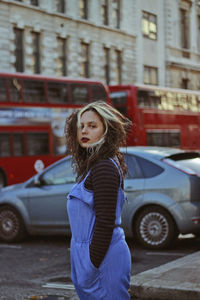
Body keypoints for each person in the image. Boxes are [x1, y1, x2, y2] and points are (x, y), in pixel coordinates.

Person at [65, 101, 132, 300]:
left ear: (106, 130)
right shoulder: (95, 165)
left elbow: (105, 222)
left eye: (92, 126)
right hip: (92, 256)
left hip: (103, 259)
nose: (84, 131)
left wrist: (90, 264)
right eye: (81, 126)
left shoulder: (103, 167)